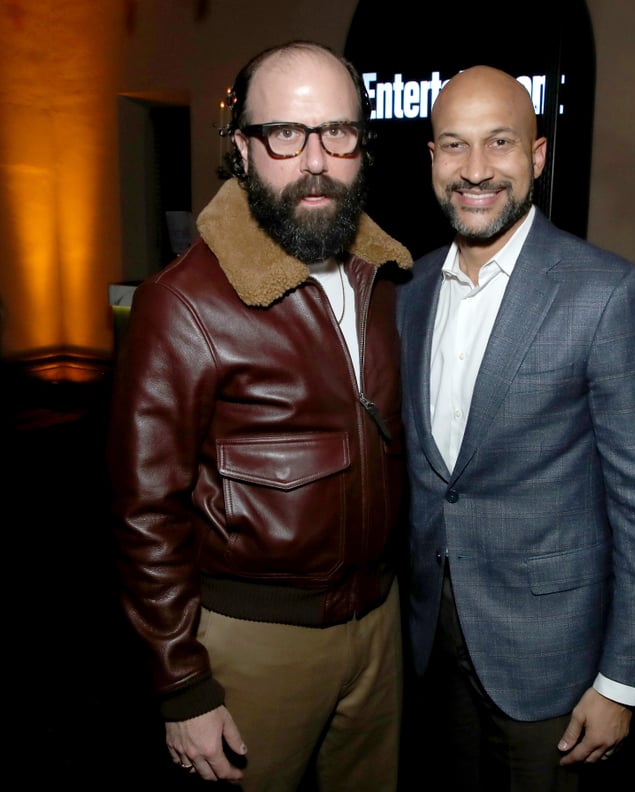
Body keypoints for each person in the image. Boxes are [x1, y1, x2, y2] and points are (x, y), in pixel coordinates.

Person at [107, 40, 411, 791]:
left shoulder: (386, 276)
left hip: (380, 624)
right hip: (252, 645)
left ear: (362, 147)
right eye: (284, 134)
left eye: (338, 132)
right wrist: (182, 684)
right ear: (241, 149)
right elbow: (145, 512)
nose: (315, 160)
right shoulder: (181, 304)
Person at [397, 65, 635, 791]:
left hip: (551, 654)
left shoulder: (607, 292)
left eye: (500, 143)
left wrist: (621, 683)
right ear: (432, 160)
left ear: (538, 156)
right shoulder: (411, 290)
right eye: (454, 146)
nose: (477, 170)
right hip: (431, 638)